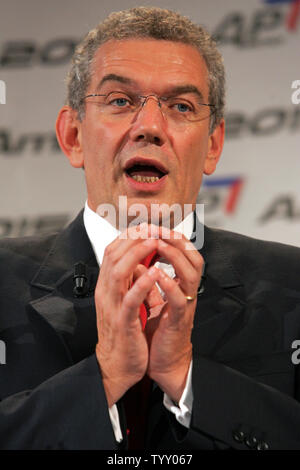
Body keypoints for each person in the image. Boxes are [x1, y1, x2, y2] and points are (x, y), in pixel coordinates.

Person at [0, 6, 300, 451]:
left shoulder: (292, 283)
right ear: (73, 137)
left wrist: (187, 377)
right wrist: (103, 378)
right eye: (121, 101)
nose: (151, 127)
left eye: (181, 106)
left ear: (213, 145)